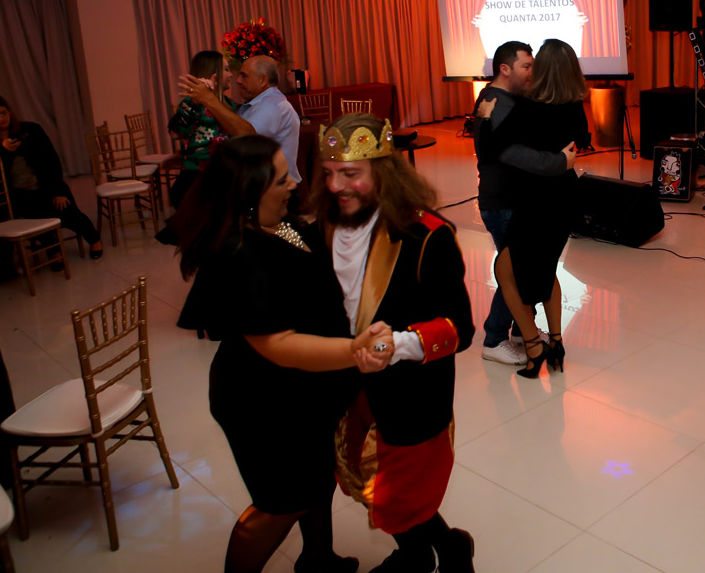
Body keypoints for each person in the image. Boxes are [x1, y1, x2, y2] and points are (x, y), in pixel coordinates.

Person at [174, 135, 383, 573]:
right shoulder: (236, 251)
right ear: (251, 190)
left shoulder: (280, 223)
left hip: (302, 390)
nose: (293, 184)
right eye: (282, 179)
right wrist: (354, 350)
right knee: (280, 504)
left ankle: (318, 560)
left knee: (316, 479)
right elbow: (278, 345)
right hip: (261, 402)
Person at [316, 112, 476, 573]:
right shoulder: (320, 227)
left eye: (351, 174)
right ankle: (431, 550)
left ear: (384, 173)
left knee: (401, 493)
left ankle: (432, 554)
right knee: (366, 480)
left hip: (410, 395)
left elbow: (459, 328)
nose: (336, 186)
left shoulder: (427, 237)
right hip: (346, 390)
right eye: (329, 173)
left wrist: (399, 345)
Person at [475, 38, 590, 378]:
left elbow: (496, 147)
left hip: (532, 202)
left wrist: (485, 119)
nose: (530, 72)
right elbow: (580, 141)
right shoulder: (573, 104)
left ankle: (521, 340)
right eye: (526, 66)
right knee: (536, 270)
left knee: (512, 272)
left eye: (534, 66)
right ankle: (543, 340)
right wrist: (561, 161)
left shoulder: (525, 106)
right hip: (553, 199)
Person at [0, 94, 103, 262]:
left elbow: (51, 160)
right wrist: (4, 151)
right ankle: (54, 252)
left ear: (9, 111)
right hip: (19, 194)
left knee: (67, 211)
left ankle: (94, 239)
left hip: (47, 186)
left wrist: (57, 191)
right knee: (36, 220)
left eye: (3, 113)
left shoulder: (30, 130)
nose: (0, 118)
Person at [180, 55, 302, 184]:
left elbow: (246, 137)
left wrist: (209, 100)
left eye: (244, 76)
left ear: (263, 80)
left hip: (277, 188)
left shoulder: (273, 104)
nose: (237, 80)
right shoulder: (253, 104)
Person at [167, 50, 235, 206]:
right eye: (226, 69)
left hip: (222, 174)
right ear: (213, 74)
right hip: (198, 178)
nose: (231, 74)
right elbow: (175, 132)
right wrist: (195, 104)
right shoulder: (192, 103)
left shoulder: (227, 103)